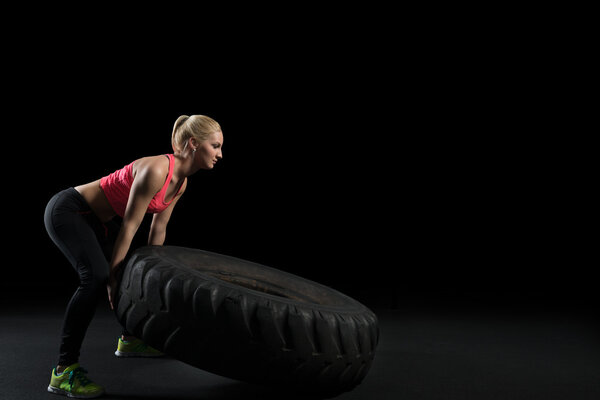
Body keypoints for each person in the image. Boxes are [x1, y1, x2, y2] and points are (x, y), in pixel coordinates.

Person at [44, 115, 224, 398]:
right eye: (215, 146)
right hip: (70, 210)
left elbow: (158, 228)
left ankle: (129, 338)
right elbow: (129, 226)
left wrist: (155, 274)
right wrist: (113, 280)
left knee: (131, 269)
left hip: (97, 221)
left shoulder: (181, 182)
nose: (219, 154)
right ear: (193, 143)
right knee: (97, 278)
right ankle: (63, 370)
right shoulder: (156, 169)